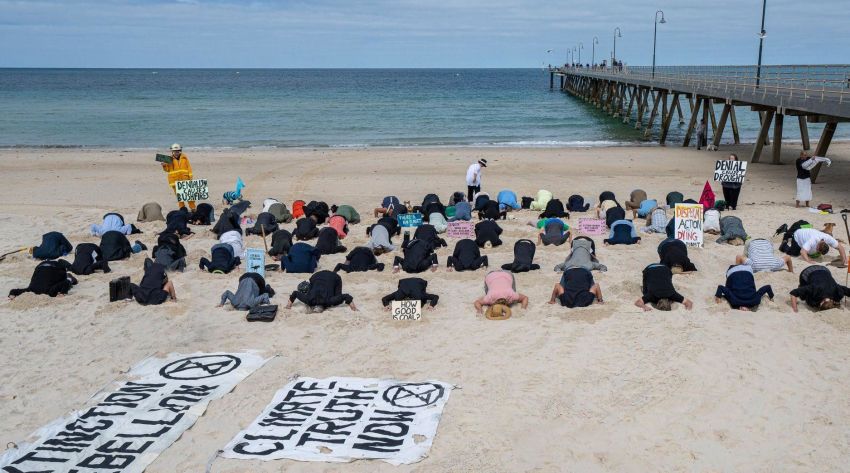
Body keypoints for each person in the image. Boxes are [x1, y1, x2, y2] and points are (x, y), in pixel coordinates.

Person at [286, 270, 357, 312]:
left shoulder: (329, 301)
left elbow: (346, 296)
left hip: (329, 276)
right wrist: (288, 305)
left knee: (338, 299)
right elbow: (295, 293)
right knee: (337, 298)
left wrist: (354, 308)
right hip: (316, 276)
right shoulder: (309, 300)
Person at [8, 260, 77, 299]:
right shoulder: (31, 289)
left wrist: (63, 293)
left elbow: (66, 283)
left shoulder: (49, 291)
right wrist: (12, 295)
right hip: (41, 267)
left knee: (68, 280)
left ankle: (69, 276)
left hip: (46, 267)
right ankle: (69, 276)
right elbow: (14, 291)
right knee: (67, 280)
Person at [160, 143, 195, 211]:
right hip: (174, 180)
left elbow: (189, 167)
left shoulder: (184, 157)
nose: (176, 152)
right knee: (179, 195)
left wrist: (190, 177)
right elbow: (167, 170)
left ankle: (193, 207)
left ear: (180, 150)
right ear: (172, 151)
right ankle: (182, 208)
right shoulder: (168, 159)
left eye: (178, 151)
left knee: (189, 194)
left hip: (185, 179)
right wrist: (164, 165)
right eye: (175, 151)